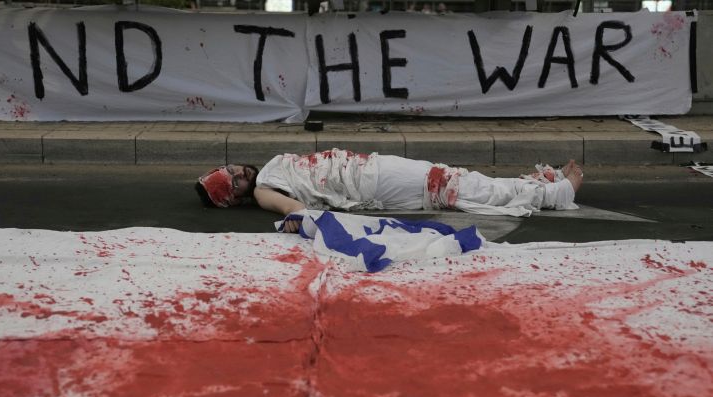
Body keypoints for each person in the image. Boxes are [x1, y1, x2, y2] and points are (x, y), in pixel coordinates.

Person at [195, 149, 584, 233]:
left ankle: (534, 187)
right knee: (447, 184)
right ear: (237, 195)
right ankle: (553, 195)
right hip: (370, 180)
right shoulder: (264, 190)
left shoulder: (268, 168)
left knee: (449, 180)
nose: (240, 171)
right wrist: (295, 221)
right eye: (235, 179)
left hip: (370, 170)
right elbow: (295, 208)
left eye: (232, 168)